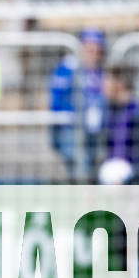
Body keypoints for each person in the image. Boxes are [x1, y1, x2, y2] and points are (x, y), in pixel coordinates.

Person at [49, 28, 106, 180]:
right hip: (71, 129)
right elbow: (57, 101)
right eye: (89, 49)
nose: (93, 54)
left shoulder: (101, 72)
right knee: (80, 167)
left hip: (96, 132)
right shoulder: (68, 69)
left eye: (97, 49)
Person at [99, 65, 139, 185]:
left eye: (107, 81)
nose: (103, 86)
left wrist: (126, 177)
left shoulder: (138, 114)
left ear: (119, 84)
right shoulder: (110, 111)